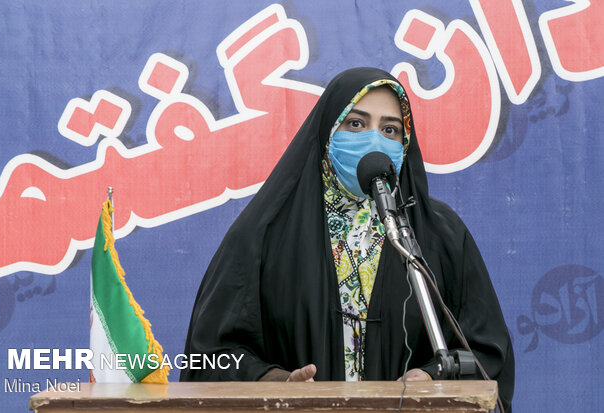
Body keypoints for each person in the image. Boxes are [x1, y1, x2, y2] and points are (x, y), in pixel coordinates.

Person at [180, 67, 514, 411]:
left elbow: (485, 349)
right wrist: (276, 381)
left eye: (390, 129)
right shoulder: (264, 231)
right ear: (327, 132)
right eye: (356, 123)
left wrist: (430, 378)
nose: (374, 140)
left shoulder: (439, 233)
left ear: (406, 142)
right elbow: (211, 356)